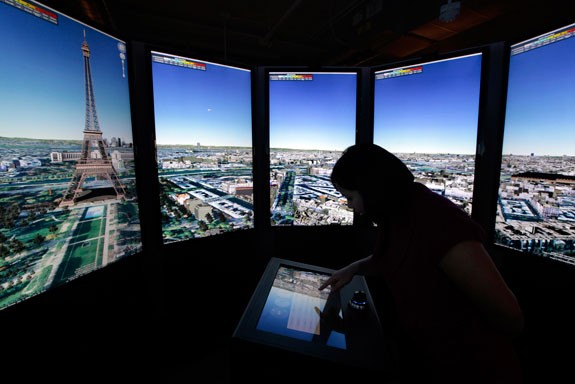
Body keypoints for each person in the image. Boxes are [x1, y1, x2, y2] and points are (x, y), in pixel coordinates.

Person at [318, 143, 524, 383]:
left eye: (350, 196)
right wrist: (356, 267)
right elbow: (396, 256)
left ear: (371, 189)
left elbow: (510, 317)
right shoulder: (398, 212)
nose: (349, 205)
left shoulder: (437, 220)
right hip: (434, 362)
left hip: (473, 372)